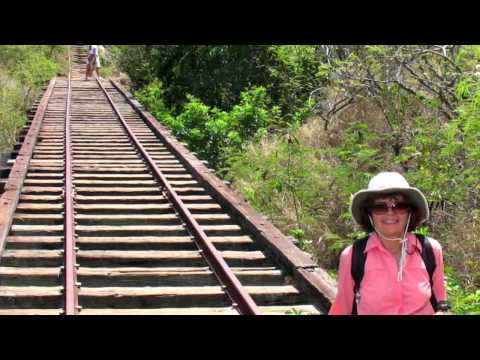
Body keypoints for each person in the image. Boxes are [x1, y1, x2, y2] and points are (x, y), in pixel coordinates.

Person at [329, 171, 449, 315]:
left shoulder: (430, 250)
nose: (390, 213)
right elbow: (342, 308)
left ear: (410, 212)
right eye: (380, 207)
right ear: (369, 214)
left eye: (399, 206)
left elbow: (441, 303)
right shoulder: (353, 256)